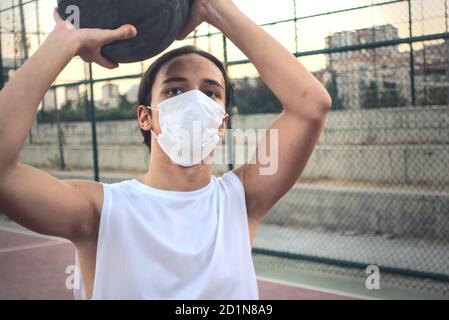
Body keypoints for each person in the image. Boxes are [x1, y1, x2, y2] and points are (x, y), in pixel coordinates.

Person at [0, 0, 332, 300]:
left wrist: (213, 7)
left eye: (211, 93)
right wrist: (64, 42)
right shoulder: (99, 211)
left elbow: (311, 106)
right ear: (146, 117)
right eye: (175, 91)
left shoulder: (241, 199)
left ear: (222, 122)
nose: (194, 101)